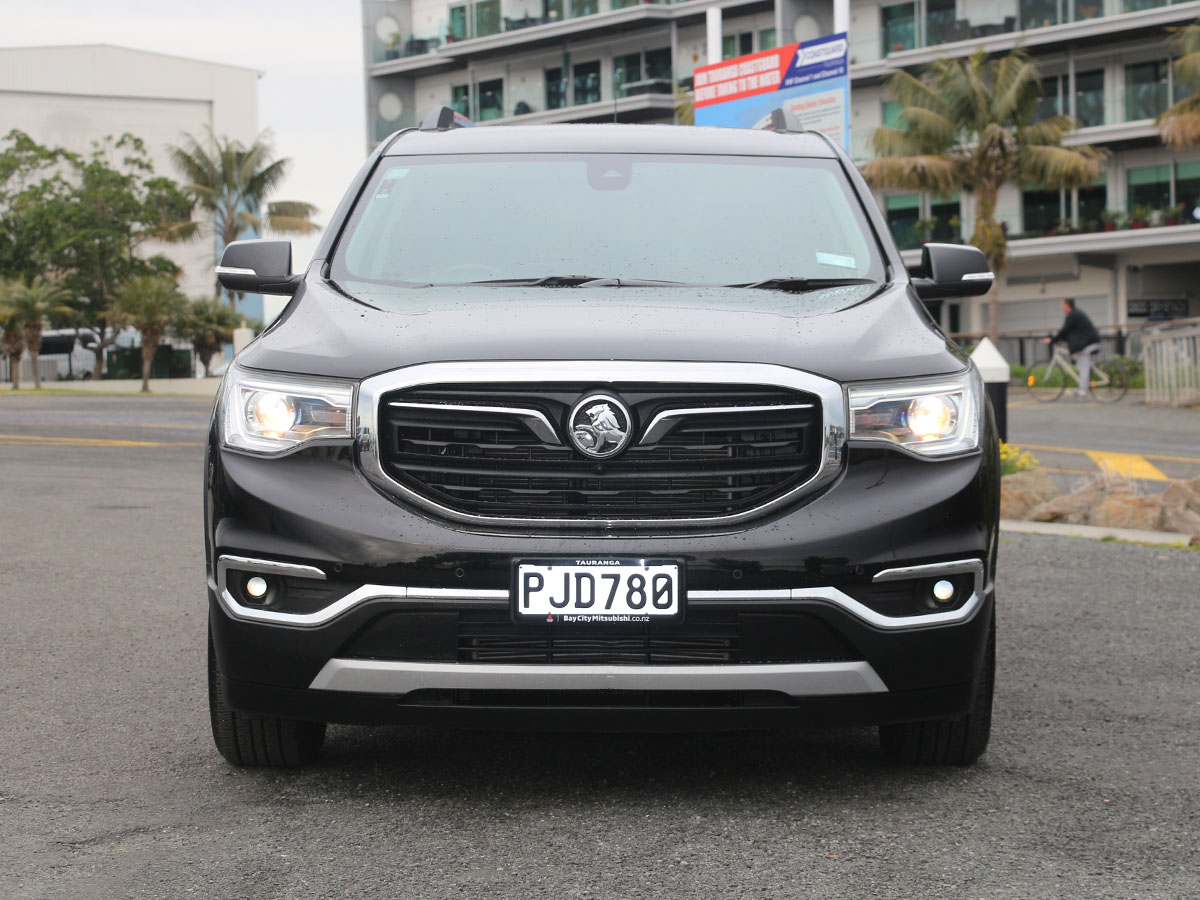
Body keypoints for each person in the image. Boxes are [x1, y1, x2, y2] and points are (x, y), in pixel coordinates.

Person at [1043, 298, 1101, 398]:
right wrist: (1058, 339)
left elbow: (1064, 331)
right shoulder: (1075, 314)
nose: (1061, 307)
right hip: (1088, 342)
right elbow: (1067, 333)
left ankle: (1082, 390)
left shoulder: (1072, 315)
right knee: (1080, 362)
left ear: (1067, 305)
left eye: (1062, 305)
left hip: (1089, 343)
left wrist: (1052, 340)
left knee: (1083, 366)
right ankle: (1082, 386)